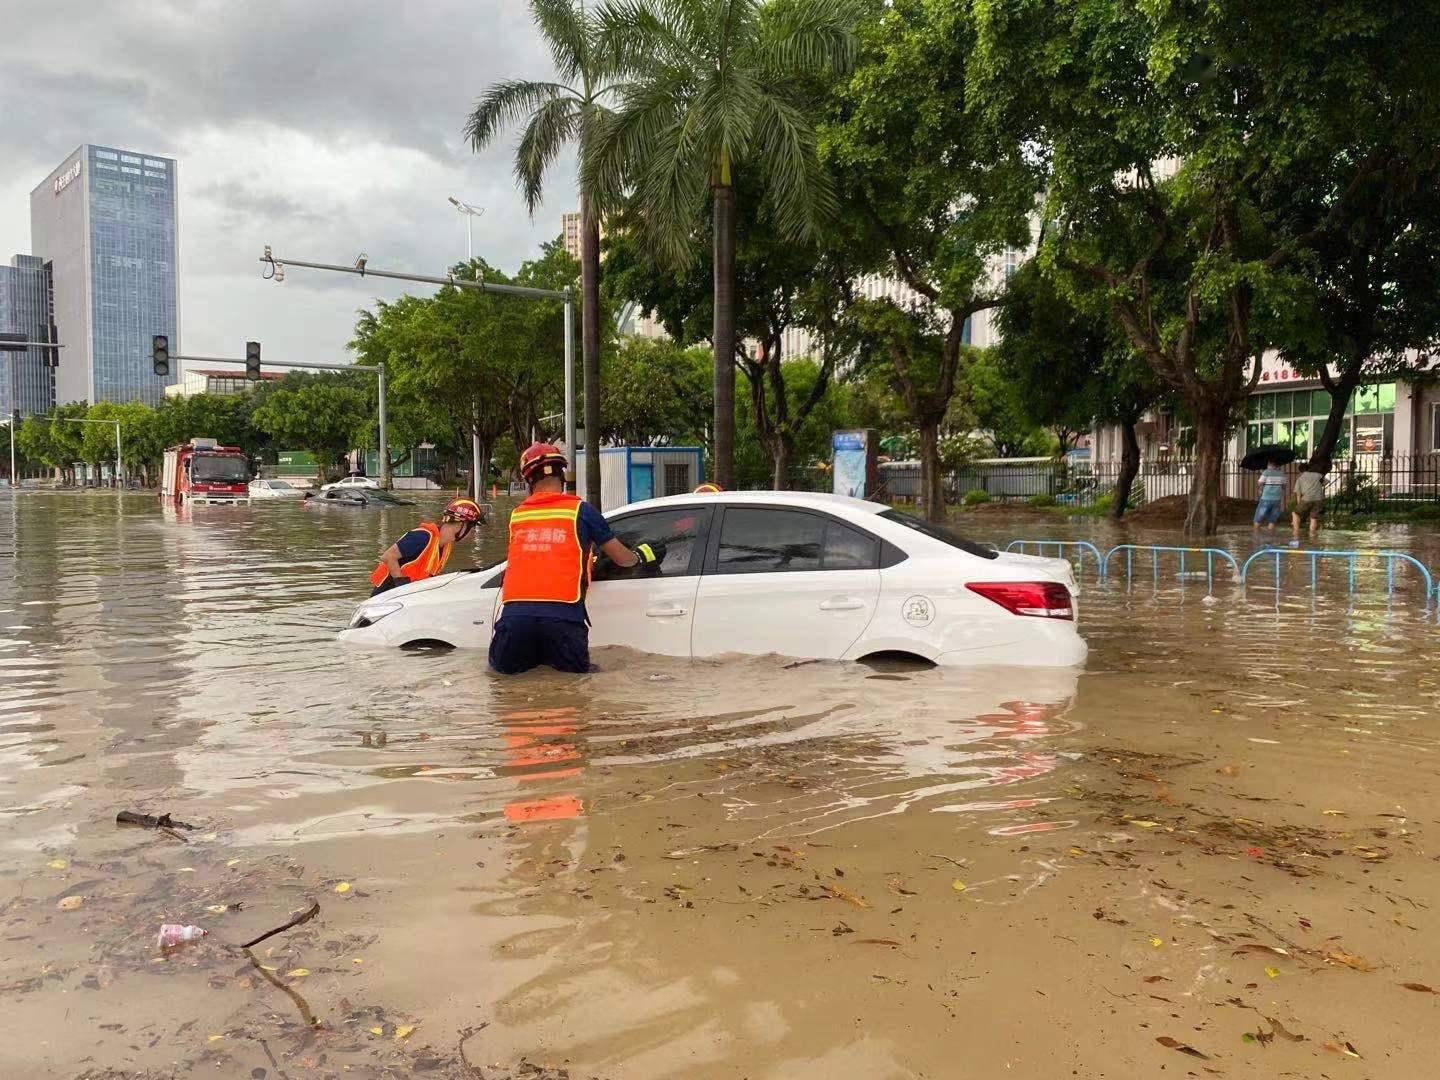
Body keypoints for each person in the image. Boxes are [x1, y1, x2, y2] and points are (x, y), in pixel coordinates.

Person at [489, 443, 659, 675]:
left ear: (529, 482)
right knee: (572, 694)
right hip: (563, 618)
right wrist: (641, 557)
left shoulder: (517, 515)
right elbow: (622, 559)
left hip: (515, 618)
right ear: (562, 475)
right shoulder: (582, 511)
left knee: (506, 689)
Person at [368, 498, 484, 596]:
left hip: (407, 598)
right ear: (460, 525)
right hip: (386, 597)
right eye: (472, 528)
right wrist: (402, 585)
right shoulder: (422, 537)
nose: (472, 533)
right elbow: (388, 556)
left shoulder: (445, 545)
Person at [1292, 461, 1327, 536]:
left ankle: (1296, 532)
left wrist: (1299, 505)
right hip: (1318, 499)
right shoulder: (1318, 475)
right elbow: (1326, 482)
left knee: (1295, 513)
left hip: (1307, 499)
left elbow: (1298, 494)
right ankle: (1312, 535)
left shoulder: (1300, 478)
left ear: (1300, 471)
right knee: (1313, 518)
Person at [1253, 458, 1288, 531]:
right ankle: (1271, 537)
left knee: (1258, 518)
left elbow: (1259, 483)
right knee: (1272, 519)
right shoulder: (1282, 474)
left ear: (1270, 465)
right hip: (1277, 499)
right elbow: (1284, 487)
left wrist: (1262, 486)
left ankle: (1255, 534)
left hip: (1266, 498)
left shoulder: (1266, 472)